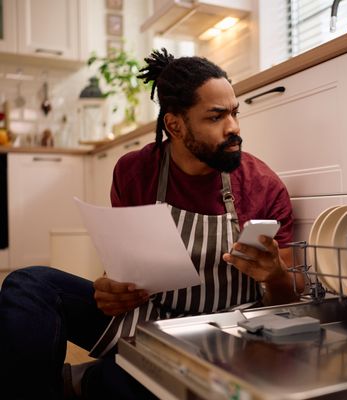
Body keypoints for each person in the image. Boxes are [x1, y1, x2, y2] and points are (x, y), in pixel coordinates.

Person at [0, 48, 303, 399]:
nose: (233, 127)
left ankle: (95, 381)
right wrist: (110, 291)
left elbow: (291, 298)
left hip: (223, 336)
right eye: (216, 117)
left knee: (116, 385)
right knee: (28, 284)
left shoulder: (262, 185)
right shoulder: (134, 171)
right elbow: (121, 271)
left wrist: (276, 276)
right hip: (146, 322)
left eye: (235, 113)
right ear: (174, 125)